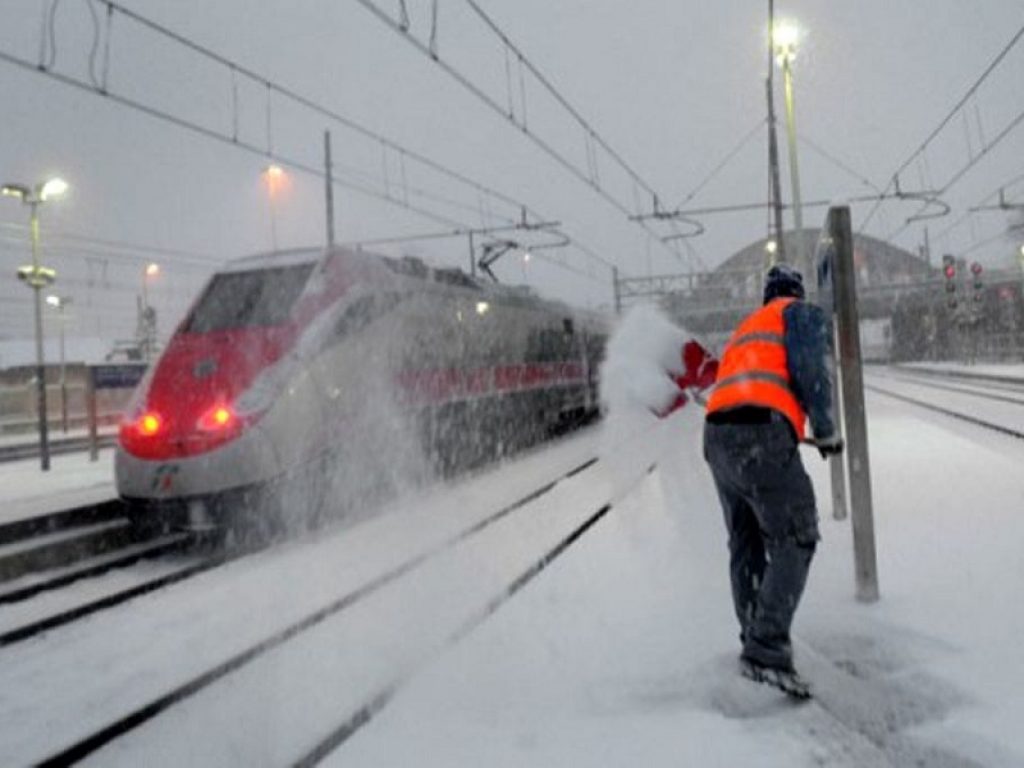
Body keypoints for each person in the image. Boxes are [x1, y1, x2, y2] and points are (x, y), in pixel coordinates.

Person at [702, 263, 842, 694]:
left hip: (716, 435)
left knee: (745, 543)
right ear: (795, 293)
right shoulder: (797, 313)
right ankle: (765, 649)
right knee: (796, 536)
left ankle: (754, 637)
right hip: (760, 432)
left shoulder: (748, 327)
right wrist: (826, 429)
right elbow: (811, 372)